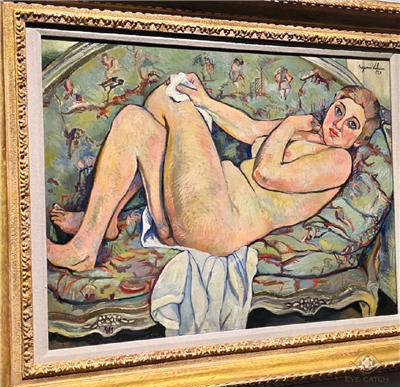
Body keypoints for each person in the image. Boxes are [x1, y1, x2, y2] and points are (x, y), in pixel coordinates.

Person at [47, 73, 381, 271]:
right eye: (339, 110)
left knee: (170, 98)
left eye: (351, 124)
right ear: (332, 104)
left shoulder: (339, 162)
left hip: (216, 224)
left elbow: (265, 174)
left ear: (359, 139)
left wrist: (290, 125)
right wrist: (204, 99)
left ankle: (87, 246)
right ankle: (98, 228)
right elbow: (250, 130)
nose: (337, 124)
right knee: (133, 120)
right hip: (201, 203)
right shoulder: (310, 131)